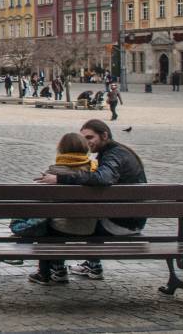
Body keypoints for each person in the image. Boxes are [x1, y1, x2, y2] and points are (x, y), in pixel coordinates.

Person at [35, 119, 147, 281]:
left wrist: (60, 179)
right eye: (84, 138)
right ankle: (92, 264)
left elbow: (103, 178)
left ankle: (55, 269)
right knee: (89, 215)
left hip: (123, 223)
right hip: (131, 218)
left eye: (90, 137)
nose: (86, 142)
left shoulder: (114, 154)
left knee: (69, 222)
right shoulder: (117, 152)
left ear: (104, 135)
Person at [27, 132, 97, 285]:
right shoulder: (94, 171)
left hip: (62, 228)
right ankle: (90, 266)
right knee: (58, 221)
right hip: (90, 227)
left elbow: (40, 203)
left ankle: (45, 273)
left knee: (47, 227)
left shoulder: (54, 172)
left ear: (61, 150)